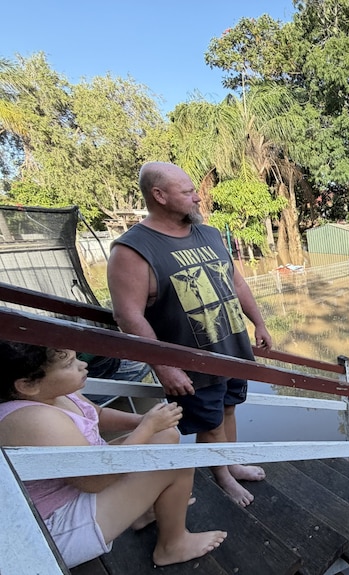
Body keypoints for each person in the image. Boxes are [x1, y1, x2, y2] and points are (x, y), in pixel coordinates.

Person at [107, 161, 272, 507]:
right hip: (189, 361)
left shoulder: (208, 234)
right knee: (208, 424)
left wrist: (259, 322)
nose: (198, 198)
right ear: (160, 196)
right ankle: (222, 477)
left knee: (228, 410)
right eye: (188, 192)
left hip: (232, 347)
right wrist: (165, 367)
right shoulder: (133, 249)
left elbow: (236, 282)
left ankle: (230, 463)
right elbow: (128, 316)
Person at [0, 341, 227, 568]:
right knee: (175, 462)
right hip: (52, 531)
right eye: (69, 363)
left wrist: (145, 422)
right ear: (28, 385)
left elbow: (97, 413)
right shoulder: (35, 420)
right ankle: (172, 545)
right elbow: (95, 481)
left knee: (165, 436)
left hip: (82, 484)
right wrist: (146, 429)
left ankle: (141, 514)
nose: (82, 365)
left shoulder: (52, 393)